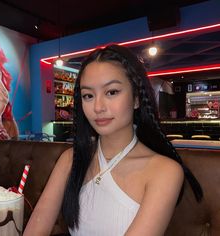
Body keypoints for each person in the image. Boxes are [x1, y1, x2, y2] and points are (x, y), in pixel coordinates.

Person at [24, 44, 203, 236]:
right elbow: (36, 228)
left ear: (136, 98)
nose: (98, 107)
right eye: (88, 95)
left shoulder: (165, 171)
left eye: (112, 92)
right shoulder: (71, 159)